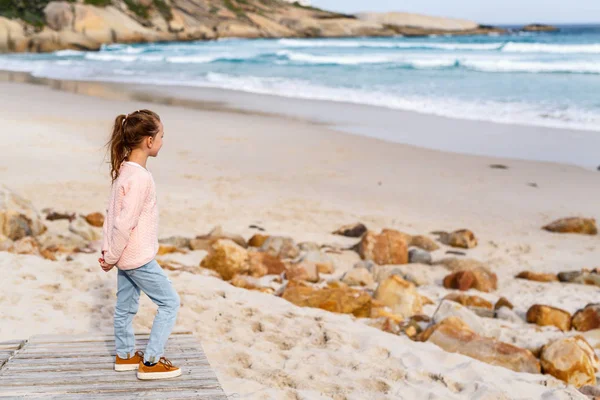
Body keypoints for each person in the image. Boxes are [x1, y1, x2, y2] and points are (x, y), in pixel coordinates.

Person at [98, 109, 181, 380]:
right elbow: (124, 223)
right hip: (137, 257)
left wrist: (108, 251)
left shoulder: (124, 170)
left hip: (124, 255)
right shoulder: (140, 178)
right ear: (148, 141)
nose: (162, 140)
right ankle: (151, 361)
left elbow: (110, 216)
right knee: (170, 303)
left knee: (125, 306)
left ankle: (124, 355)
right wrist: (110, 256)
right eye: (161, 135)